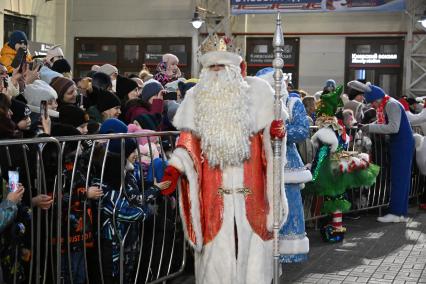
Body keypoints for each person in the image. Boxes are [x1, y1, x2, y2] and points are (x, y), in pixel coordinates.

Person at [160, 34, 288, 284]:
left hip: (253, 190)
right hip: (213, 190)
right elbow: (188, 141)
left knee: (253, 246)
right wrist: (175, 169)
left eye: (221, 66)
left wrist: (276, 134)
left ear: (234, 67)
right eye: (211, 67)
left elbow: (272, 144)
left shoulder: (259, 92)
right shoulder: (196, 97)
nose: (216, 72)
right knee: (216, 251)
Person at [256, 67, 312, 263]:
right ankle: (266, 250)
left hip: (288, 165)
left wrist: (281, 131)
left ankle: (290, 252)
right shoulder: (259, 106)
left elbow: (303, 130)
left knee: (290, 205)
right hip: (263, 163)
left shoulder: (293, 102)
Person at [359, 83, 414, 223]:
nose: (373, 106)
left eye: (372, 102)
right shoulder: (390, 103)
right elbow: (388, 123)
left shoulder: (391, 105)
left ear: (377, 99)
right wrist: (372, 126)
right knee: (402, 179)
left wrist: (370, 127)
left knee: (398, 179)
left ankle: (395, 213)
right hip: (402, 143)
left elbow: (393, 127)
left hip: (401, 144)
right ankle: (400, 213)